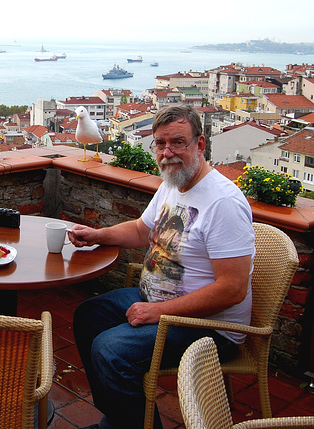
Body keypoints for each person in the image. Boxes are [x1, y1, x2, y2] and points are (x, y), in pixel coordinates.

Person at [69, 104, 255, 429]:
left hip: (208, 327)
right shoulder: (173, 182)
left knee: (110, 351)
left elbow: (233, 288)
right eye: (160, 143)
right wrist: (98, 235)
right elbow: (143, 230)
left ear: (200, 144)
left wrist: (159, 312)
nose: (167, 152)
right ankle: (120, 420)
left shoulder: (223, 203)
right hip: (160, 304)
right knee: (88, 316)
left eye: (178, 142)